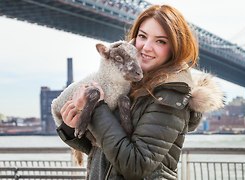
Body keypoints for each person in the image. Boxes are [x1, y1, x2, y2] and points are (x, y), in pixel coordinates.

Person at [56, 4, 223, 180]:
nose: (146, 47)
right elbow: (105, 151)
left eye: (160, 41)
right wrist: (71, 126)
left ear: (175, 48)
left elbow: (135, 166)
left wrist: (97, 108)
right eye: (142, 36)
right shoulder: (131, 87)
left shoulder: (170, 95)